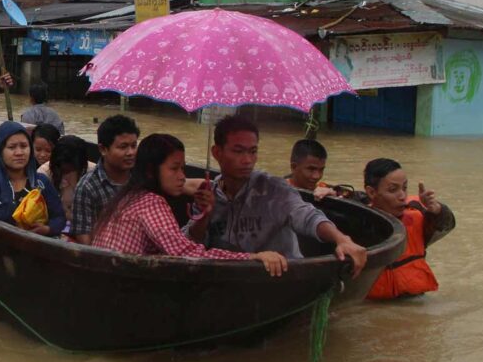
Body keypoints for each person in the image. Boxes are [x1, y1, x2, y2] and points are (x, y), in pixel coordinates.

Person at [185, 116, 367, 278]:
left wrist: (341, 240)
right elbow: (191, 247)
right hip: (231, 281)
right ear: (217, 153)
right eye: (238, 151)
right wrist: (204, 216)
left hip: (282, 279)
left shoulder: (273, 189)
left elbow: (307, 215)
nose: (247, 160)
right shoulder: (207, 194)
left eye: (253, 151)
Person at [91, 134, 272, 264]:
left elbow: (178, 243)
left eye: (182, 169)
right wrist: (250, 257)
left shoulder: (129, 196)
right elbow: (186, 253)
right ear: (150, 171)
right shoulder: (151, 203)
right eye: (174, 168)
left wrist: (204, 214)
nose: (182, 177)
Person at [361, 158, 456, 300]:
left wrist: (437, 210)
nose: (402, 196)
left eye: (404, 188)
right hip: (372, 305)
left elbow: (447, 225)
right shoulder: (355, 219)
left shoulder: (418, 212)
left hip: (415, 301)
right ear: (372, 192)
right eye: (393, 190)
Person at [0, 121, 66, 236]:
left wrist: (47, 229)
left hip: (35, 247)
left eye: (24, 146)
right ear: (0, 151)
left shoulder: (41, 182)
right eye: (12, 147)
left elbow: (59, 217)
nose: (19, 153)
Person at [70, 114, 140, 245]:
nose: (130, 152)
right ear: (103, 149)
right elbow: (84, 237)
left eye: (134, 146)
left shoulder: (141, 178)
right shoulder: (87, 187)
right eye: (123, 147)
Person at [38, 135, 92, 226]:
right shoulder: (43, 175)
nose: (67, 176)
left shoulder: (92, 173)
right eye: (64, 171)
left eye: (71, 170)